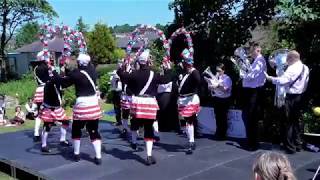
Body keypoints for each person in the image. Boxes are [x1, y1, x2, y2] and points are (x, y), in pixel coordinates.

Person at [118, 49, 163, 165]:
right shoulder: (154, 74)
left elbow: (122, 76)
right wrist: (167, 69)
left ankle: (133, 142)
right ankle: (148, 155)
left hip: (138, 102)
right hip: (149, 103)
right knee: (148, 128)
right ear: (148, 61)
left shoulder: (134, 74)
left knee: (135, 123)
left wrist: (123, 67)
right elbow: (165, 79)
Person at [61, 53, 103, 165]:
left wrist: (63, 69)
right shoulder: (93, 71)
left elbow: (64, 83)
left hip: (82, 104)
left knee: (76, 128)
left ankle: (76, 153)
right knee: (94, 130)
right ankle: (98, 156)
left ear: (79, 63)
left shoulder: (76, 73)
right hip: (93, 103)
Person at [265, 50, 309, 154]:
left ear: (292, 58)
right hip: (300, 96)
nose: (286, 61)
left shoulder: (292, 68)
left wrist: (270, 79)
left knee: (288, 122)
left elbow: (282, 80)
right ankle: (298, 144)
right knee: (296, 121)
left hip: (291, 97)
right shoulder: (305, 67)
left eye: (287, 59)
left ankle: (290, 147)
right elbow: (306, 83)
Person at [38, 67, 71, 153]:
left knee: (66, 122)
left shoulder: (57, 82)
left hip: (57, 108)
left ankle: (62, 140)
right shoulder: (49, 83)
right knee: (47, 126)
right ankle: (44, 145)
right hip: (49, 109)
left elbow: (64, 82)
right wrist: (54, 71)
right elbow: (57, 79)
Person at [241, 43, 267, 151]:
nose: (250, 54)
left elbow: (252, 76)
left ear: (257, 50)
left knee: (252, 117)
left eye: (251, 52)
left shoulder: (260, 61)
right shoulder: (256, 61)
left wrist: (243, 74)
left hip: (255, 91)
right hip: (251, 91)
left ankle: (253, 143)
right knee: (249, 117)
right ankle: (251, 141)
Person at [177, 48, 201, 155]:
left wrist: (192, 69)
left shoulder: (194, 72)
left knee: (189, 121)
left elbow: (198, 80)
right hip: (182, 100)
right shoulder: (183, 73)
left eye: (184, 62)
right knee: (185, 122)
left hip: (190, 99)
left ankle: (191, 141)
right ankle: (190, 139)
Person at [208, 63, 232, 140]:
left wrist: (218, 85)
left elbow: (226, 90)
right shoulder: (215, 77)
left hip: (224, 99)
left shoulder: (227, 78)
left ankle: (223, 134)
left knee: (223, 117)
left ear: (223, 71)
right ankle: (218, 132)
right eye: (217, 70)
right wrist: (211, 86)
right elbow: (210, 88)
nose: (217, 72)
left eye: (219, 71)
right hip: (217, 98)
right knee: (217, 116)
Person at [32, 51, 52, 142]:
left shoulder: (36, 68)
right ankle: (45, 134)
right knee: (48, 112)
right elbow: (50, 79)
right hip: (46, 90)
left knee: (39, 113)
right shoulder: (46, 67)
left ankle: (36, 133)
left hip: (38, 90)